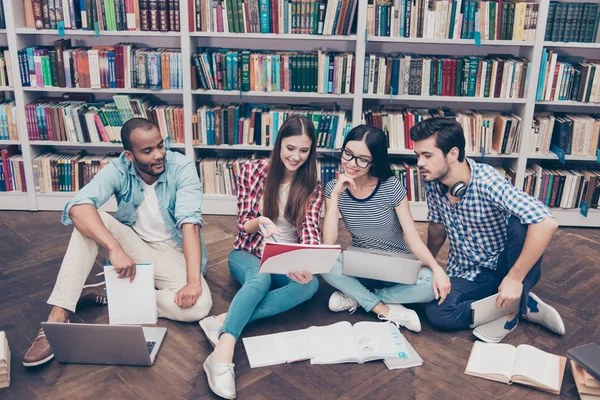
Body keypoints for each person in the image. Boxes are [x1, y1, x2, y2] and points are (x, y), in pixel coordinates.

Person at [22, 118, 213, 367]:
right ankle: (58, 316)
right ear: (130, 155)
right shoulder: (119, 168)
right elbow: (77, 207)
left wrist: (192, 282)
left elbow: (190, 224)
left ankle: (119, 295)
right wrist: (114, 248)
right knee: (87, 218)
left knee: (200, 307)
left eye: (161, 146)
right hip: (135, 244)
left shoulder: (182, 167)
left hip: (175, 253)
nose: (159, 155)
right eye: (147, 151)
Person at [199, 115, 323, 399]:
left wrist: (305, 263)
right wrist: (261, 222)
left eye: (304, 151)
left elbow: (311, 231)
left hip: (286, 257)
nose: (296, 157)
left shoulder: (313, 186)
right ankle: (223, 352)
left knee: (311, 285)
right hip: (248, 251)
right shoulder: (252, 170)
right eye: (290, 148)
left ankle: (222, 320)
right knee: (261, 278)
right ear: (279, 143)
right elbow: (243, 222)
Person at [410, 117, 565, 343]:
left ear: (452, 154)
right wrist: (427, 265)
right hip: (467, 271)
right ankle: (520, 305)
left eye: (427, 155)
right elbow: (437, 227)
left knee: (521, 222)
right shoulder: (432, 183)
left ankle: (514, 302)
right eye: (418, 155)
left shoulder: (487, 181)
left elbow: (546, 223)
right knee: (438, 312)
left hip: (505, 265)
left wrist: (514, 278)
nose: (419, 163)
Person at [321, 125, 451, 333]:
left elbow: (412, 237)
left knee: (431, 284)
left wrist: (436, 269)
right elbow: (328, 244)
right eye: (348, 154)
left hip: (395, 267)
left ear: (375, 161)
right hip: (361, 266)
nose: (352, 164)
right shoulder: (333, 190)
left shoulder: (391, 186)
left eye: (362, 159)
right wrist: (335, 195)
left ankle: (358, 298)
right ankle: (382, 308)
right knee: (323, 260)